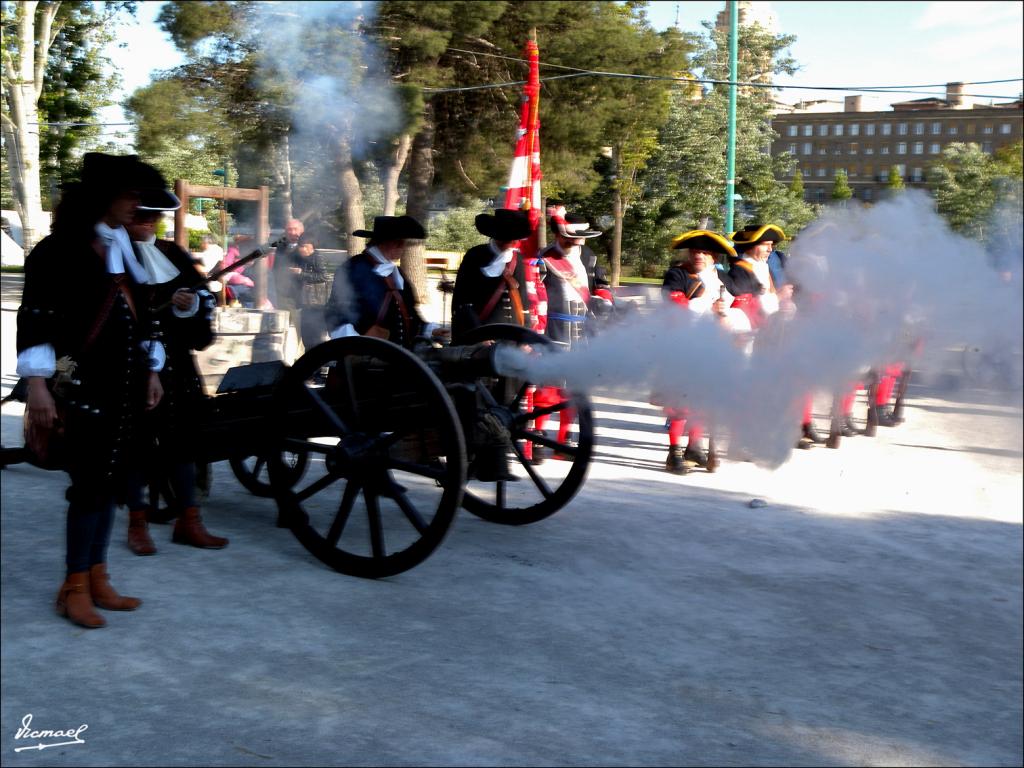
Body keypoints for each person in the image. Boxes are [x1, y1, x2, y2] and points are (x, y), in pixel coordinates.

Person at [17, 152, 165, 629]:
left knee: (111, 484)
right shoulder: (57, 250)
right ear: (102, 199)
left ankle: (98, 575)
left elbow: (143, 317)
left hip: (123, 387)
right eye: (129, 196)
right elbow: (37, 321)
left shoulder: (124, 247)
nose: (136, 206)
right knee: (87, 489)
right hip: (79, 385)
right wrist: (38, 388)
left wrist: (153, 372)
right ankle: (73, 587)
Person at [122, 174, 228, 555]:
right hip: (132, 365)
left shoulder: (175, 254)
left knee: (182, 443)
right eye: (141, 215)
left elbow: (204, 300)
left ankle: (189, 520)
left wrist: (192, 305)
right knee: (134, 444)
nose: (149, 222)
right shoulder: (113, 256)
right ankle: (137, 522)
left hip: (177, 367)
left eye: (153, 216)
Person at [659, 230, 741, 474]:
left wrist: (728, 313)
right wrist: (708, 306)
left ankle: (694, 447)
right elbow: (675, 306)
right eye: (695, 251)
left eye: (704, 252)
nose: (698, 255)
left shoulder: (724, 279)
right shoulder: (678, 274)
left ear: (714, 256)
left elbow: (740, 303)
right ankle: (674, 452)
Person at [529, 211, 602, 463]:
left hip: (582, 332)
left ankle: (564, 439)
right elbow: (534, 294)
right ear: (559, 235)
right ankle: (538, 435)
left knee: (572, 391)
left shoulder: (590, 258)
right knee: (548, 387)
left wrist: (605, 300)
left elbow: (599, 285)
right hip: (554, 329)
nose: (578, 242)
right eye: (573, 237)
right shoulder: (544, 258)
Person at [324, 216, 430, 348]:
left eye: (403, 242)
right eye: (397, 241)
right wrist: (358, 344)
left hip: (398, 358)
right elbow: (336, 314)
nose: (402, 246)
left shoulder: (397, 273)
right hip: (363, 360)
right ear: (382, 242)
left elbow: (411, 314)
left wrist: (430, 330)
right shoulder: (353, 268)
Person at [450, 208, 531, 343]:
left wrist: (525, 338)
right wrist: (479, 334)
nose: (509, 242)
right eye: (505, 238)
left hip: (512, 335)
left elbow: (523, 299)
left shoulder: (518, 259)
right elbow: (463, 300)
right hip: (482, 333)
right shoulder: (475, 255)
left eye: (512, 239)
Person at [296, 235, 330, 353]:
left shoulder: (318, 258)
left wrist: (302, 274)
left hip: (317, 304)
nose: (302, 249)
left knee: (315, 337)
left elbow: (324, 276)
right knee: (306, 337)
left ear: (311, 247)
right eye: (301, 246)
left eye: (304, 246)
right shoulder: (303, 259)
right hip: (307, 303)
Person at [222, 233, 256, 307]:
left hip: (249, 279)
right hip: (237, 276)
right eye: (244, 243)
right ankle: (232, 291)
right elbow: (226, 265)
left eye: (248, 243)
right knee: (243, 287)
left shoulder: (252, 252)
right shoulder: (233, 250)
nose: (246, 245)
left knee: (248, 294)